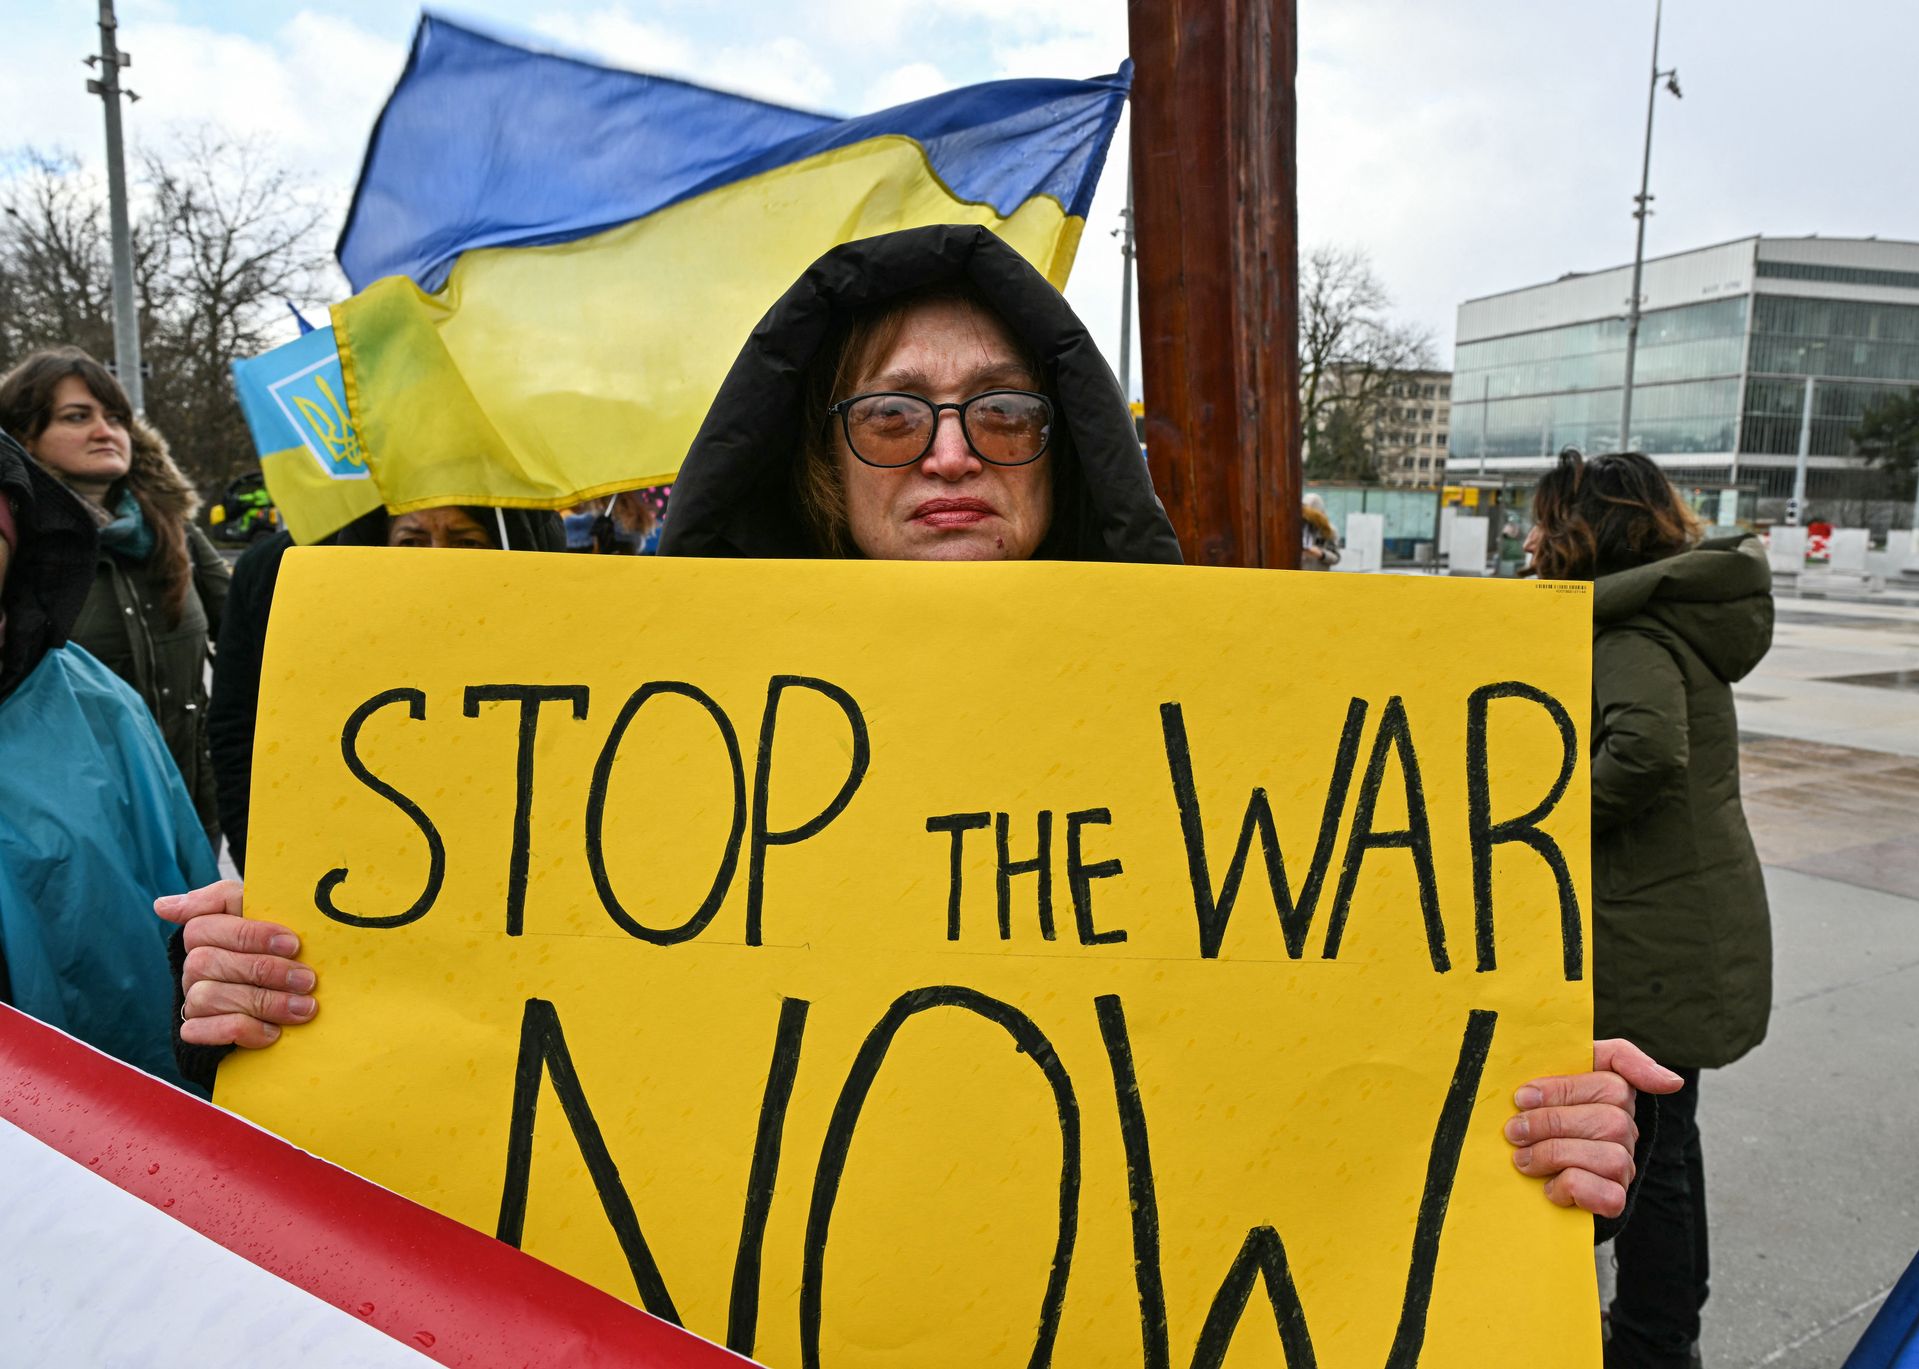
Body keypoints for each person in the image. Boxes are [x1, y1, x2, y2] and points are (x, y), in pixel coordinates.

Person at [164, 225, 1678, 1225]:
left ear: (1060, 446)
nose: (951, 450)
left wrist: (1531, 1124)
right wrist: (300, 993)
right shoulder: (632, 742)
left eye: (1001, 410)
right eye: (893, 412)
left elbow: (1329, 1125)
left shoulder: (1247, 741)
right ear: (823, 466)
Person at [1527, 448, 1774, 1369]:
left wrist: (1534, 822)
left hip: (1654, 935)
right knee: (1672, 1140)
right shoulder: (1663, 615)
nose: (1532, 540)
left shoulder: (1625, 630)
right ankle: (1666, 1329)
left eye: (1545, 522)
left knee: (1655, 1156)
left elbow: (1645, 751)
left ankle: (1653, 1342)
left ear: (1588, 528)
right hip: (1683, 920)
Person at [1, 427, 217, 1087]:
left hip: (92, 1102)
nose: (102, 430)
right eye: (76, 415)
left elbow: (183, 898)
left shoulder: (96, 704)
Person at [207, 504, 566, 875]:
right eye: (412, 541)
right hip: (350, 871)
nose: (437, 560)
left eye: (467, 542)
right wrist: (265, 863)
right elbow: (239, 732)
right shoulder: (283, 577)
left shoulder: (555, 603)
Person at [0, 348, 231, 843]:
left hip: (189, 816)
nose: (105, 431)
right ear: (24, 437)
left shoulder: (176, 533)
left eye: (117, 418)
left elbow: (258, 629)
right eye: (77, 417)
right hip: (70, 835)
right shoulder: (17, 547)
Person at [1301, 493, 1340, 569]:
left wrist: (1321, 554)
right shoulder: (1296, 528)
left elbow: (1336, 558)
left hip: (1318, 573)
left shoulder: (1330, 530)